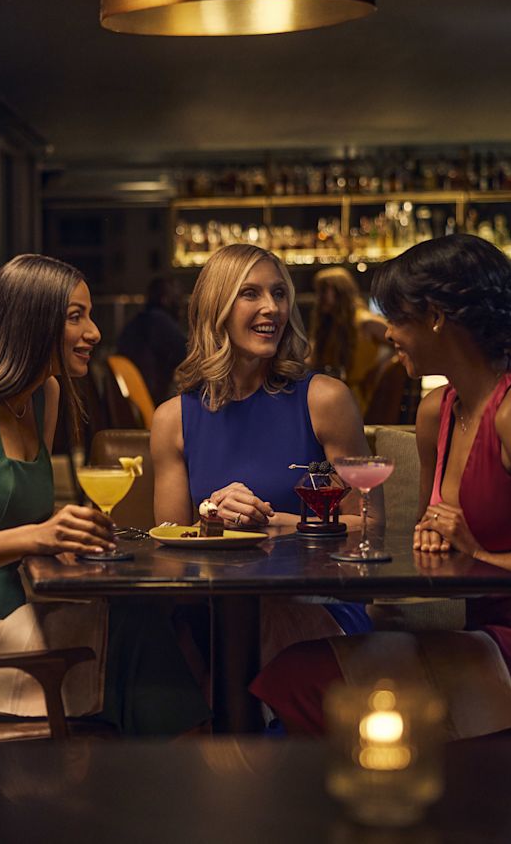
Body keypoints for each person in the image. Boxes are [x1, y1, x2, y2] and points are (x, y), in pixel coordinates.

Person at [252, 235, 511, 736]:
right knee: (292, 671)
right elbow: (431, 550)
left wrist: (481, 553)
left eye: (397, 317)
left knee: (303, 680)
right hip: (490, 638)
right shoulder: (436, 412)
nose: (388, 332)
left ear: (436, 317)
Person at [0, 253, 210, 734]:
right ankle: (192, 764)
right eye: (75, 317)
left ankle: (173, 765)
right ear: (30, 322)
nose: (94, 333)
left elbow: (20, 519)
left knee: (140, 621)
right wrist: (38, 537)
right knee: (130, 644)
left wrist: (63, 533)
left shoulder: (44, 395)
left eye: (89, 316)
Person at [150, 244, 375, 668]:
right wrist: (213, 518)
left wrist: (272, 523)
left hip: (314, 602)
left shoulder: (324, 400)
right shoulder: (172, 420)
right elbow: (170, 549)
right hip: (215, 607)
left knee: (257, 621)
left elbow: (371, 526)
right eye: (250, 293)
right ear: (216, 307)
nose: (272, 307)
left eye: (279, 293)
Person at [308, 266, 388, 413]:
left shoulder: (366, 322)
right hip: (332, 396)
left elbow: (403, 346)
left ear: (340, 292)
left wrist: (382, 372)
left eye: (324, 290)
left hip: (360, 400)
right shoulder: (328, 325)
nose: (319, 297)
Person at [116, 275, 188, 405]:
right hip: (150, 402)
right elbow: (189, 355)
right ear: (165, 300)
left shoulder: (137, 322)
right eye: (178, 298)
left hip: (131, 402)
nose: (182, 304)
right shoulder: (159, 321)